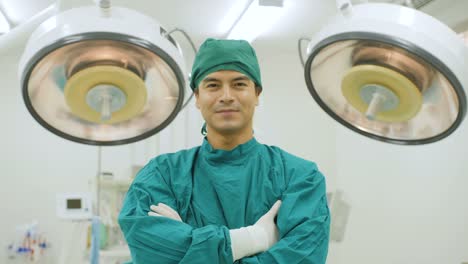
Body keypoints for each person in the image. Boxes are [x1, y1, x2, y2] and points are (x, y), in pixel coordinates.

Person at [118, 38, 330, 264]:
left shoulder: (299, 178)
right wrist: (253, 239)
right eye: (213, 85)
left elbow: (304, 258)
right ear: (197, 97)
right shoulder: (163, 175)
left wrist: (192, 246)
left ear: (257, 93)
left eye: (239, 84)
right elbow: (148, 251)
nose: (227, 96)